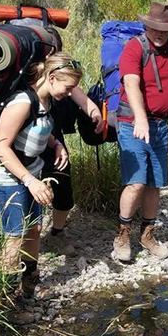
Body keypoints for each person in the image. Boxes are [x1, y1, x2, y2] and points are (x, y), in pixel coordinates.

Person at [0, 52, 83, 297]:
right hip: (5, 177)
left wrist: (56, 144)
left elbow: (39, 128)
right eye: (68, 87)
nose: (70, 94)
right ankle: (5, 298)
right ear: (50, 77)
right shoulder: (22, 102)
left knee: (33, 230)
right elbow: (1, 146)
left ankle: (29, 285)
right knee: (14, 236)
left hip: (31, 174)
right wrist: (30, 181)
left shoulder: (46, 101)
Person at [111, 2, 168, 262]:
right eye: (156, 28)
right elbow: (131, 83)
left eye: (165, 30)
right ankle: (122, 235)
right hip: (131, 123)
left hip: (162, 125)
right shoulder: (134, 47)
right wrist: (141, 119)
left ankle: (147, 235)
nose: (160, 34)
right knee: (136, 182)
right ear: (147, 25)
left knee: (155, 184)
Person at [41, 82, 104, 237]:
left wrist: (95, 114)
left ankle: (57, 232)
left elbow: (81, 98)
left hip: (53, 135)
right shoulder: (30, 78)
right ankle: (27, 236)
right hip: (27, 138)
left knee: (63, 182)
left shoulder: (60, 73)